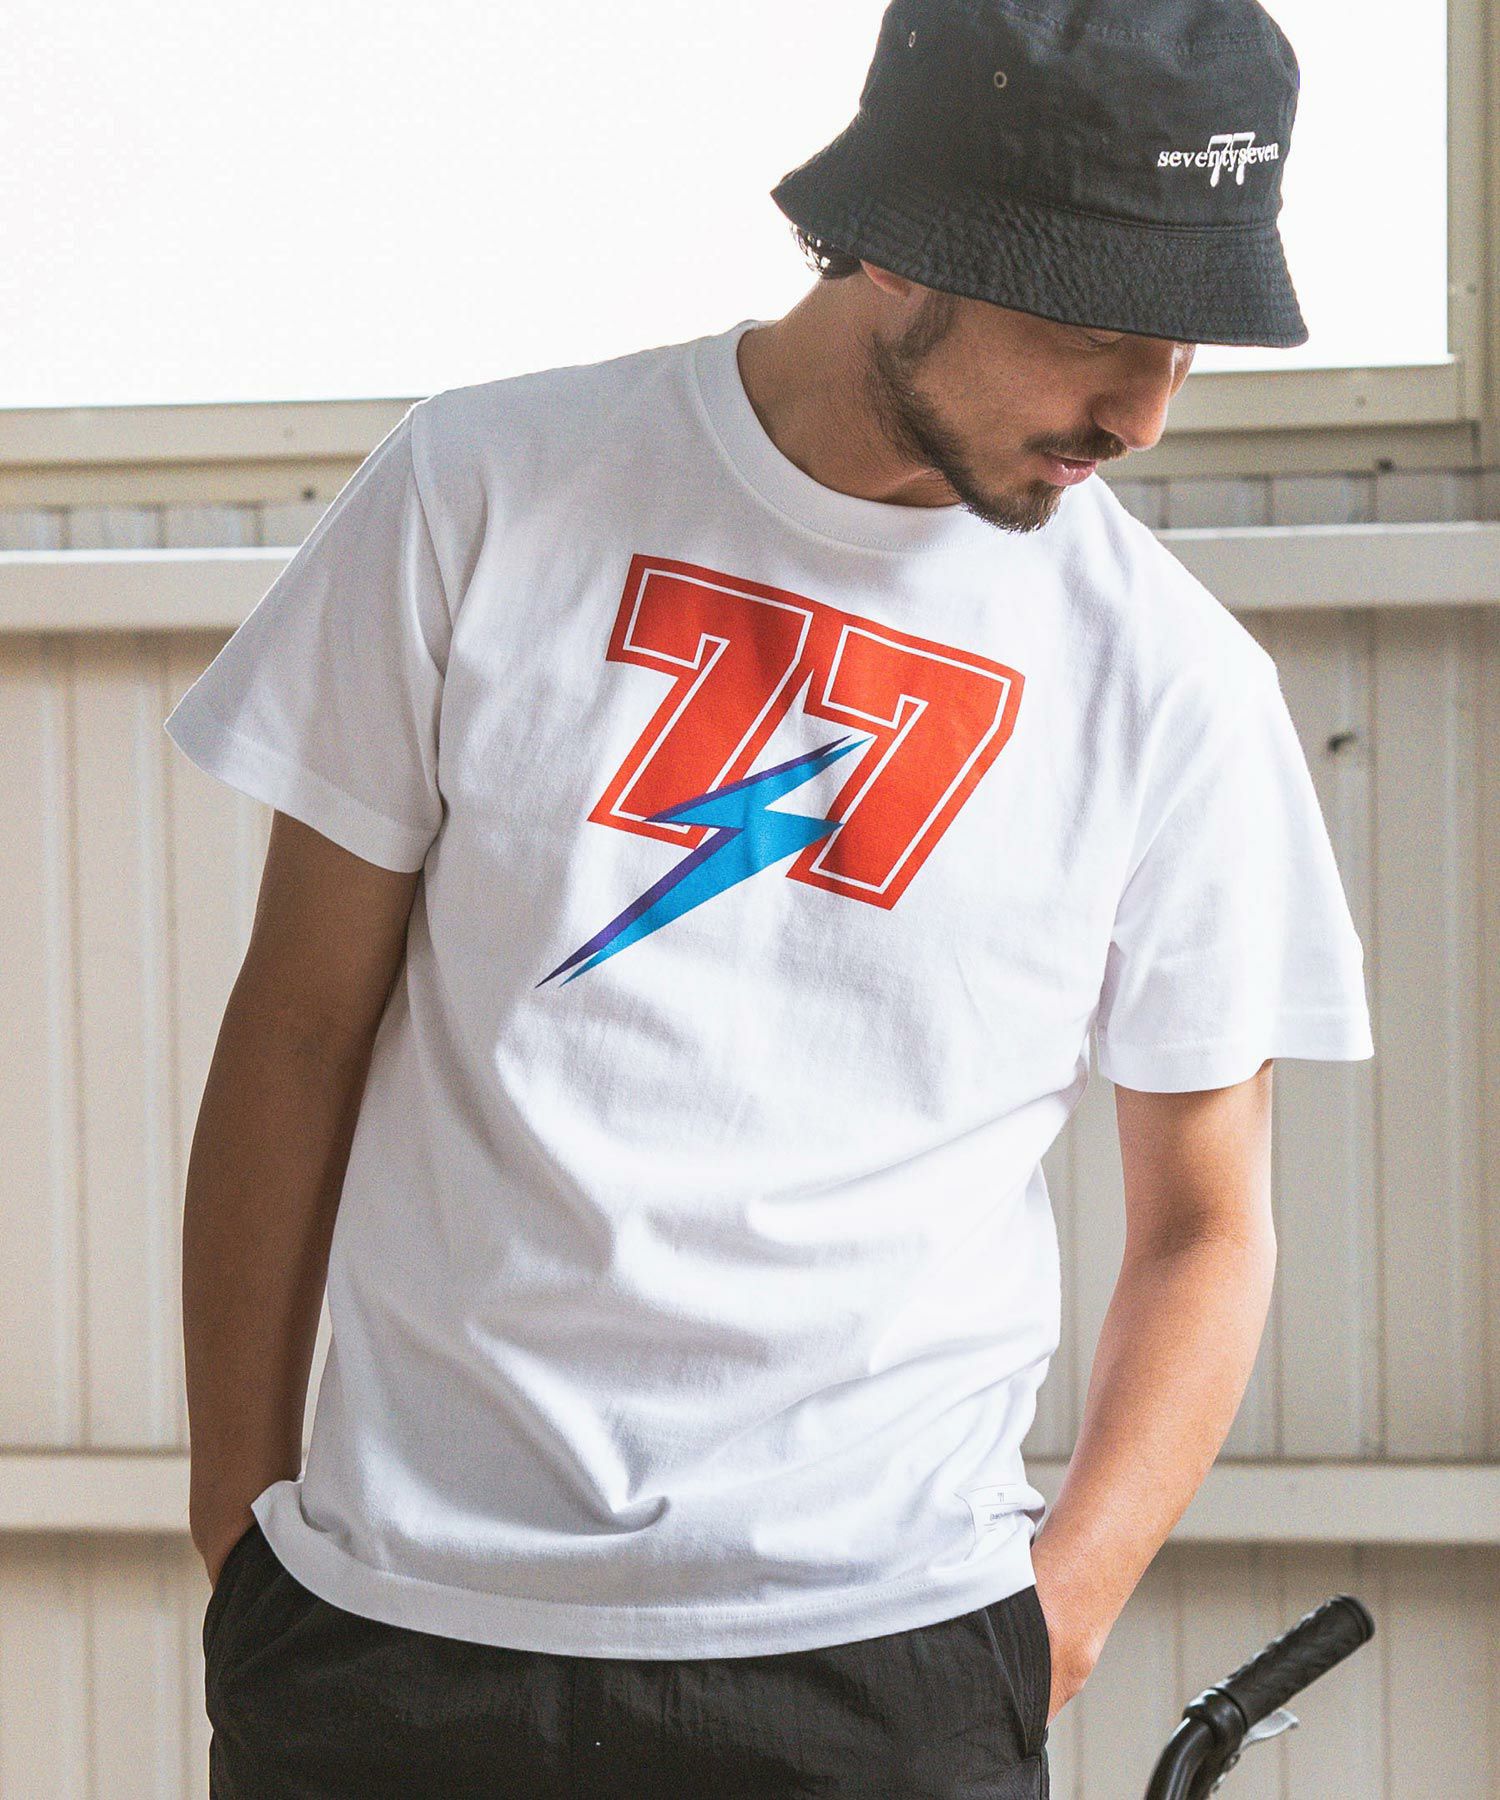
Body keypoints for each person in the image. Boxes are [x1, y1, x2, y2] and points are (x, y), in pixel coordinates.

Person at [166, 1, 1374, 1795]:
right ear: (900, 246)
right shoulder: (478, 490)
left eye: (1186, 344)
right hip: (390, 1639)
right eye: (1094, 329)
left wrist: (1054, 1628)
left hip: (887, 1668)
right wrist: (238, 1522)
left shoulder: (1173, 682)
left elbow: (1208, 1222)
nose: (1139, 411)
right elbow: (297, 1025)